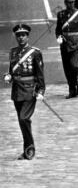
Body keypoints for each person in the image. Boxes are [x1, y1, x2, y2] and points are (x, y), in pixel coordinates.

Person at [4, 24, 45, 160]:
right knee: (22, 121)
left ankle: (30, 148)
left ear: (28, 36)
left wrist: (41, 90)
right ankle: (27, 148)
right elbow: (11, 70)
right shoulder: (13, 52)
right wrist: (8, 76)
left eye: (23, 35)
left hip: (29, 90)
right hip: (17, 91)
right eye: (18, 35)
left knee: (24, 118)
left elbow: (40, 74)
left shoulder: (35, 52)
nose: (21, 38)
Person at [56, 0, 78, 98]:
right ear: (65, 3)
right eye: (68, 3)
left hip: (77, 44)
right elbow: (58, 29)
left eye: (72, 2)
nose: (70, 4)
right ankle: (72, 89)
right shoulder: (61, 14)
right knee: (67, 69)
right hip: (65, 45)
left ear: (74, 2)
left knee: (74, 65)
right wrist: (58, 37)